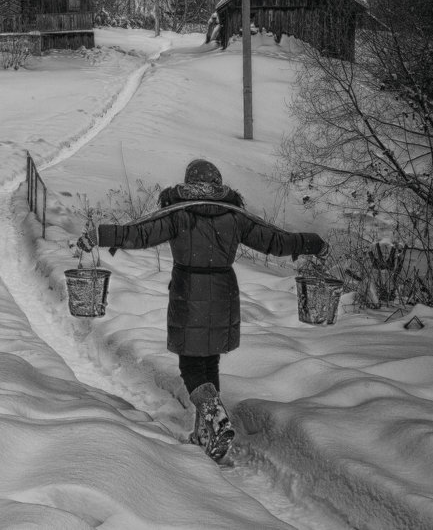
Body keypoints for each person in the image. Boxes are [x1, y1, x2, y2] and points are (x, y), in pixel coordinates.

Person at [76, 158, 328, 461]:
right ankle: (205, 432)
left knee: (191, 365)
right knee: (208, 363)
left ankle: (213, 416)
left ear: (188, 182)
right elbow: (275, 240)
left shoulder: (178, 213)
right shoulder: (233, 215)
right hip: (223, 293)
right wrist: (312, 243)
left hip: (189, 292)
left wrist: (101, 235)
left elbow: (140, 233)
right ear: (218, 184)